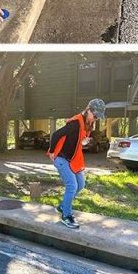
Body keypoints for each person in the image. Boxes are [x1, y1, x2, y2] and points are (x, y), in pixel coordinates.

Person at [48, 98, 105, 229]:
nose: (95, 119)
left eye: (97, 117)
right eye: (95, 115)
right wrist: (51, 151)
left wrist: (83, 142)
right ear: (88, 110)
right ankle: (66, 216)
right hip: (61, 158)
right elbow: (56, 135)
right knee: (72, 185)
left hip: (72, 159)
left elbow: (75, 141)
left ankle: (63, 206)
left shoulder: (87, 124)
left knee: (81, 184)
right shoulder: (75, 123)